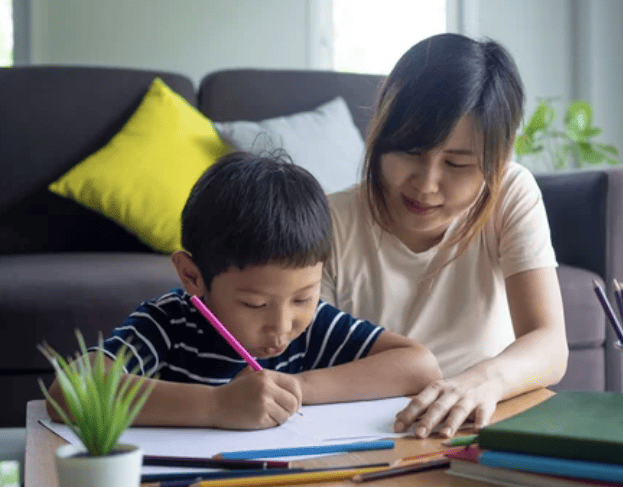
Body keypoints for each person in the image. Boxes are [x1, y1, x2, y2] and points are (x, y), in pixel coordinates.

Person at [46, 151, 441, 430]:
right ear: (192, 276)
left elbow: (420, 365)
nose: (282, 326)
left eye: (303, 297)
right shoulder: (169, 322)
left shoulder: (313, 323)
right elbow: (69, 392)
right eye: (255, 303)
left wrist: (295, 389)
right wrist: (215, 406)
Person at [322, 33, 569, 439]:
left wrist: (483, 380)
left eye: (456, 164)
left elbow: (549, 344)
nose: (426, 184)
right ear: (380, 136)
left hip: (481, 415)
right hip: (372, 426)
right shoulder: (333, 220)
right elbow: (314, 360)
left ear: (496, 161)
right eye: (410, 153)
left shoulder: (509, 193)